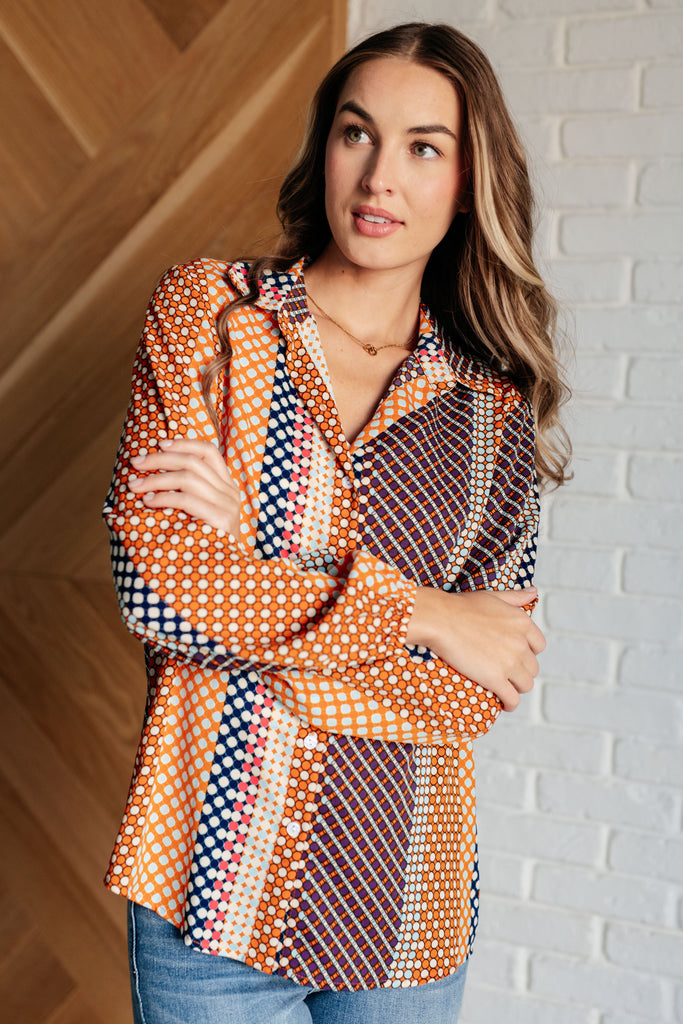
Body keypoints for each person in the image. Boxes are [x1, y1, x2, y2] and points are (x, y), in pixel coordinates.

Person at [103, 21, 570, 1024]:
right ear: (325, 149)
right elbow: (159, 589)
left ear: (467, 182)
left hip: (404, 898)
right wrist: (427, 614)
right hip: (211, 886)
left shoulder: (490, 410)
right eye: (356, 134)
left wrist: (249, 575)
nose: (378, 177)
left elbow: (476, 690)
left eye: (423, 147)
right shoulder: (212, 316)